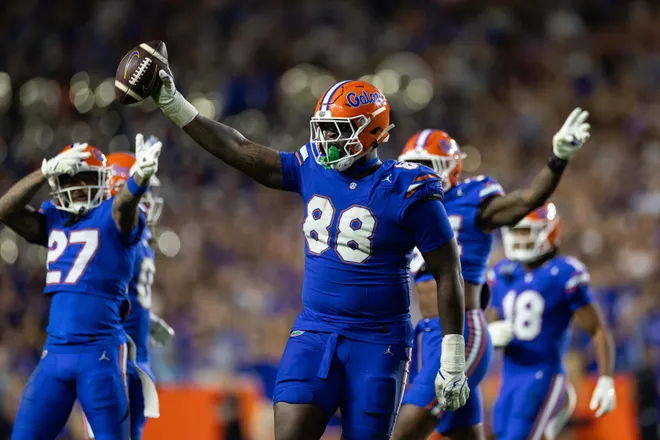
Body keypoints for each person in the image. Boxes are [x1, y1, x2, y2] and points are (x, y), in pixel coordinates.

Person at [148, 70, 468, 439]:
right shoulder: (311, 167)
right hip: (316, 329)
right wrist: (174, 103)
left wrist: (453, 356)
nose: (326, 140)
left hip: (379, 340)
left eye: (337, 129)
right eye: (324, 128)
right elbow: (239, 150)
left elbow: (448, 271)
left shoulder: (408, 188)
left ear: (371, 131)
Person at [392, 109, 591, 440]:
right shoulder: (405, 211)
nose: (418, 173)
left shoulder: (472, 201)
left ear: (450, 169)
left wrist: (557, 159)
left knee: (400, 433)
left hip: (461, 332)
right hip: (426, 335)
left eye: (428, 165)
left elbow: (526, 200)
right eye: (412, 164)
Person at [0, 137, 161, 440]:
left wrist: (139, 179)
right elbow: (5, 210)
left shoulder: (113, 216)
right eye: (71, 178)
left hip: (100, 354)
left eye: (88, 178)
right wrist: (43, 172)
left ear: (104, 182)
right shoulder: (54, 220)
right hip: (55, 353)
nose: (79, 186)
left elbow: (124, 205)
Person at [486, 203, 616, 440]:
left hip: (543, 375)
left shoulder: (563, 273)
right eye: (515, 230)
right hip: (509, 377)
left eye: (525, 230)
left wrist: (606, 379)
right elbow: (489, 324)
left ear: (548, 231)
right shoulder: (503, 273)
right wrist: (490, 335)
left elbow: (596, 328)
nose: (517, 237)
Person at [82, 144, 174, 440]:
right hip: (112, 353)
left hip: (137, 354)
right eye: (142, 190)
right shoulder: (110, 232)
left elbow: (125, 287)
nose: (149, 199)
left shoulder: (143, 235)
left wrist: (146, 315)